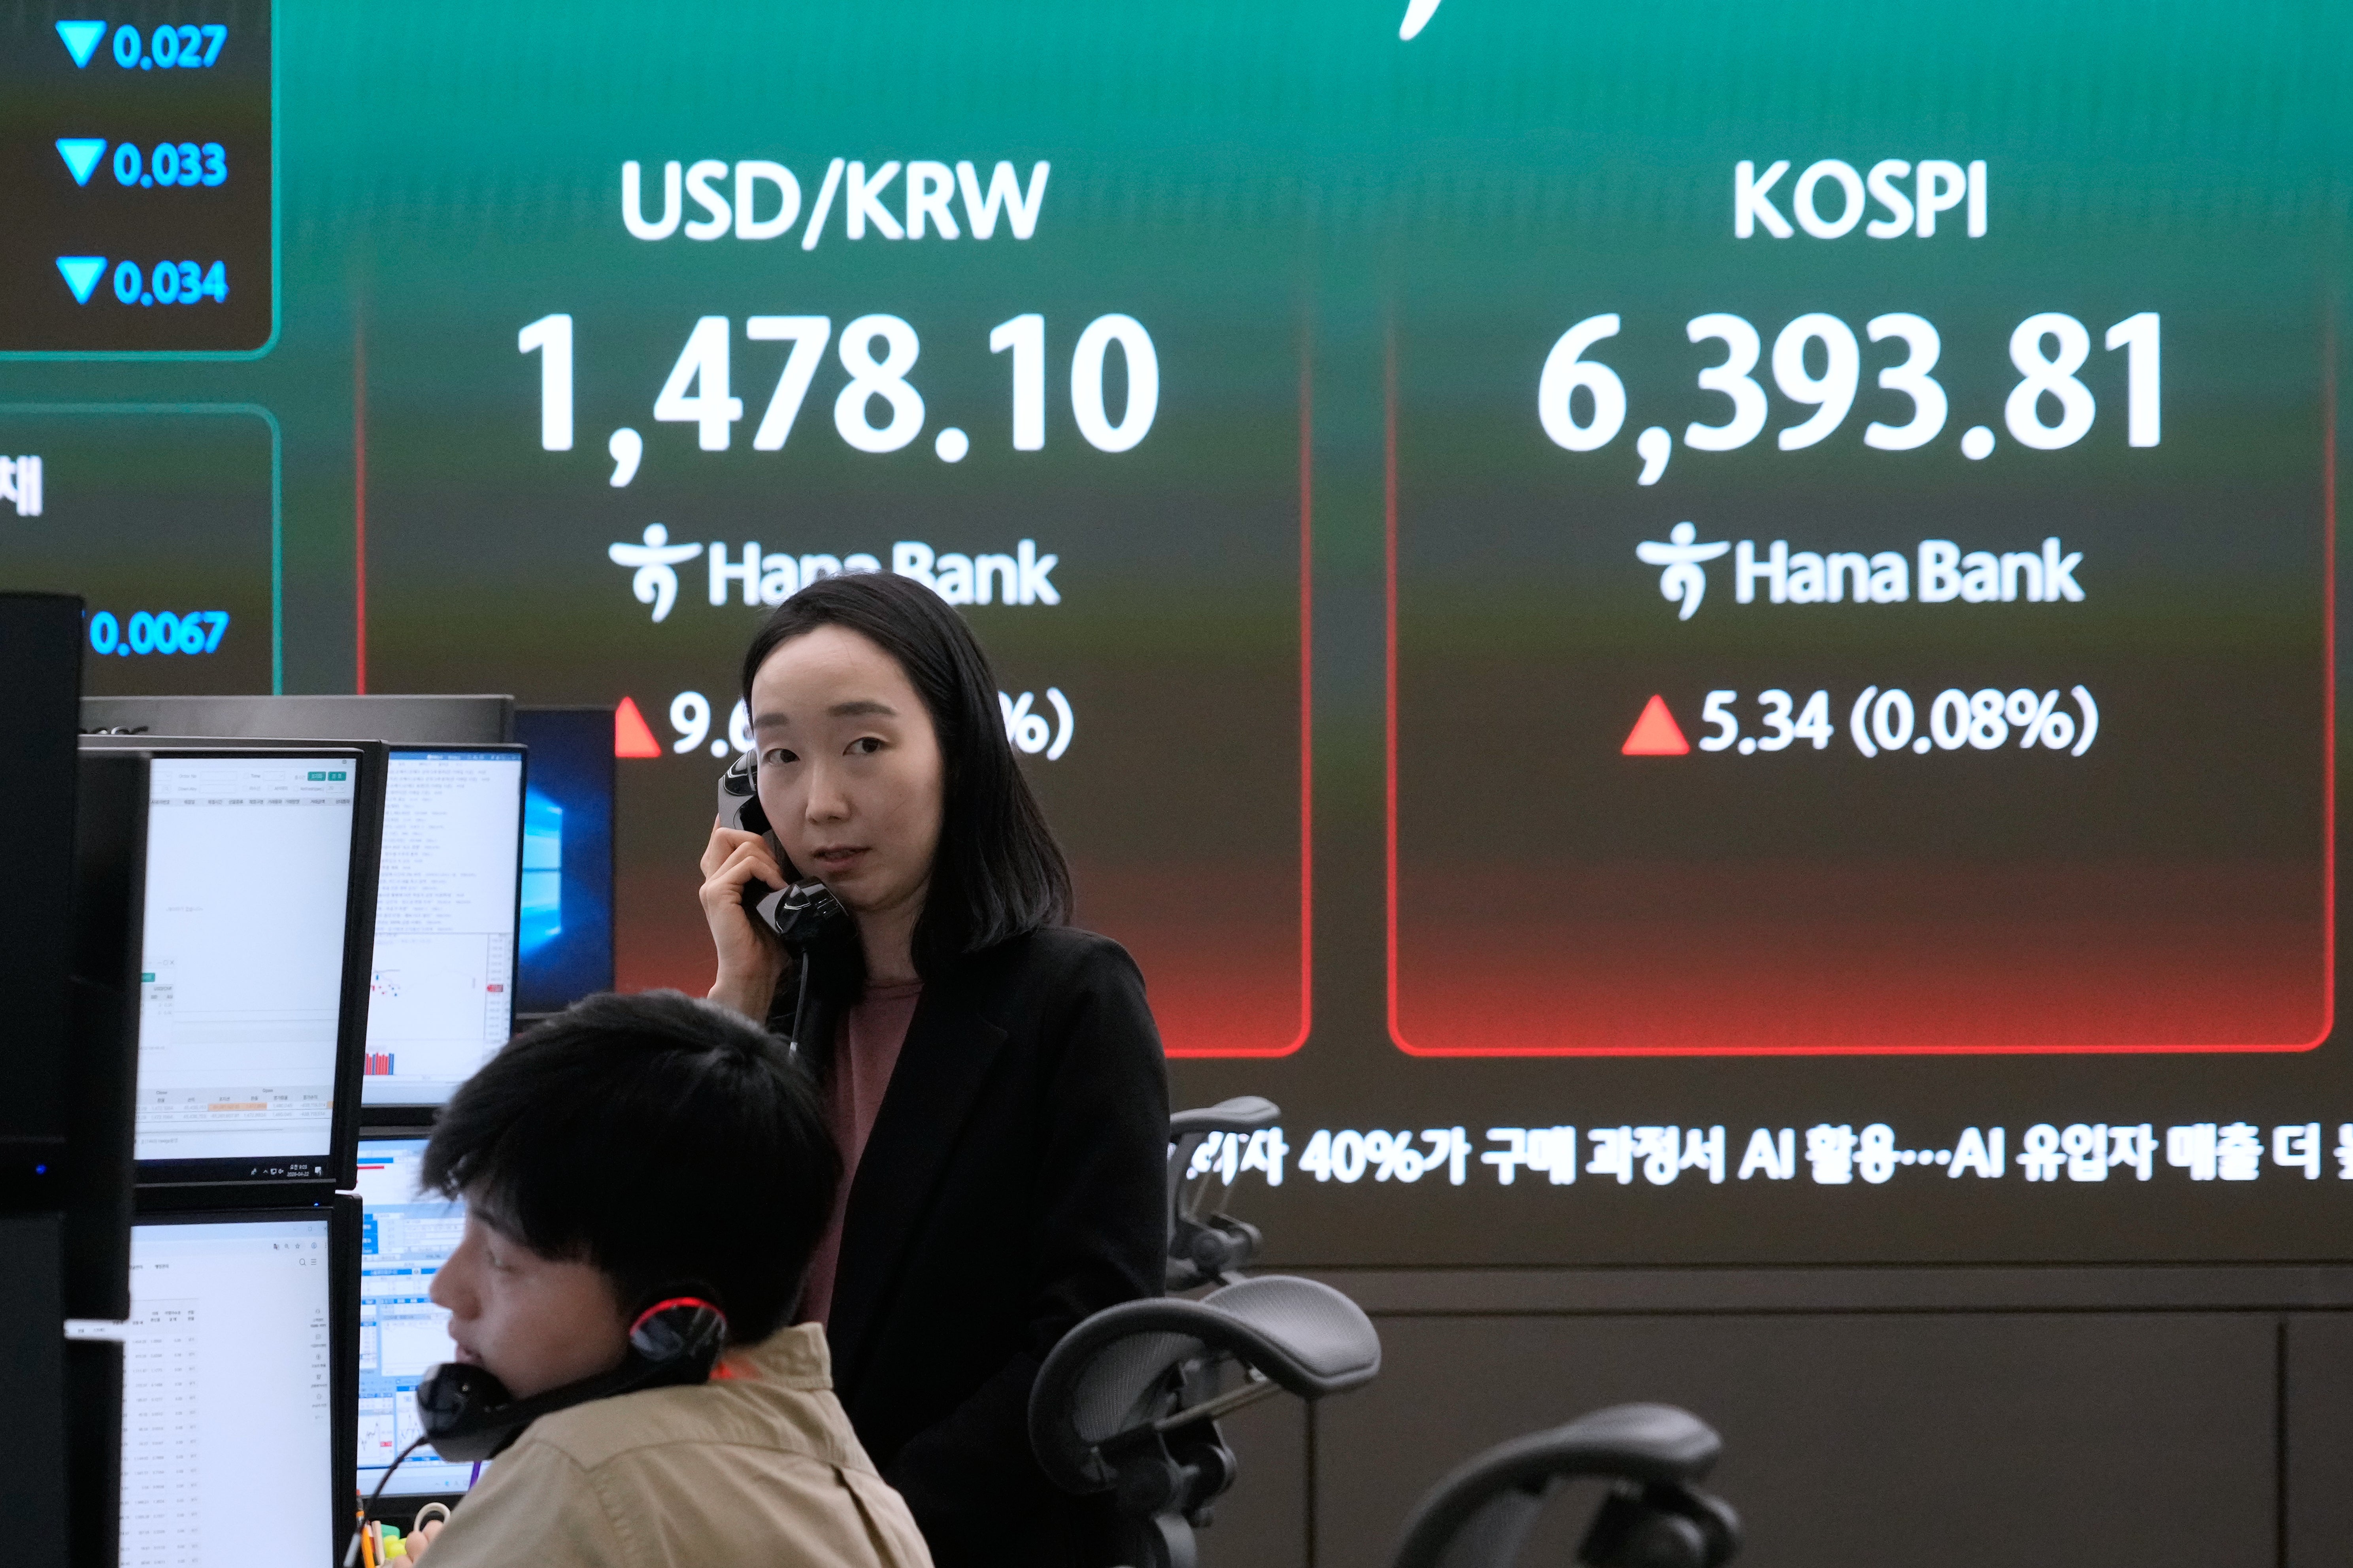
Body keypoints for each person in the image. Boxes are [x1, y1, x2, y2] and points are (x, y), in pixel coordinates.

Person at [699, 571, 1170, 1568]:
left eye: (865, 746)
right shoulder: (780, 1013)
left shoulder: (1069, 997)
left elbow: (1089, 1345)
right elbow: (663, 1285)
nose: (821, 803)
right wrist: (739, 994)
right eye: (780, 756)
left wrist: (869, 1527)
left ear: (960, 753)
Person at [398, 990, 930, 1568]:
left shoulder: (582, 1472)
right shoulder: (859, 1492)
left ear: (669, 1322)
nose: (446, 1290)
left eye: (502, 1258)